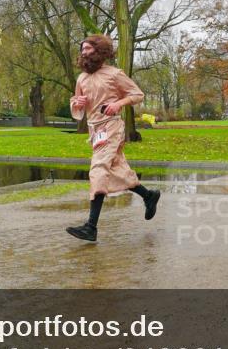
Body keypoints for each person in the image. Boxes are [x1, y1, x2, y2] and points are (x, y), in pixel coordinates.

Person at [67, 34, 161, 242]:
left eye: (88, 48)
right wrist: (77, 103)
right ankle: (149, 196)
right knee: (119, 170)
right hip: (95, 131)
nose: (84, 52)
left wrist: (118, 104)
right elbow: (77, 107)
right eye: (82, 49)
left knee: (98, 169)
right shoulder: (81, 78)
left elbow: (137, 94)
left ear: (99, 50)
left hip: (112, 127)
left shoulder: (114, 74)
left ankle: (91, 227)